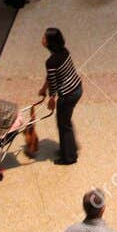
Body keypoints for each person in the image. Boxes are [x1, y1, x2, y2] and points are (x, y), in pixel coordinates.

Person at [39, 26, 83, 164]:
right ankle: (69, 148)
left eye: (45, 37)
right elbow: (52, 75)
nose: (42, 39)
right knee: (66, 121)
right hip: (77, 88)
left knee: (63, 124)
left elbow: (53, 82)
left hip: (67, 95)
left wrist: (51, 98)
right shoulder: (64, 52)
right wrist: (43, 88)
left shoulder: (51, 61)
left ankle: (69, 157)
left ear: (50, 42)